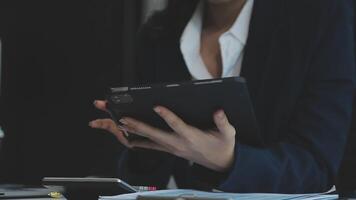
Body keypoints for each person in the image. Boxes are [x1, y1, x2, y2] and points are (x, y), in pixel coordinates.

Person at [89, 0, 355, 193]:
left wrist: (229, 159)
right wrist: (144, 142)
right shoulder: (158, 34)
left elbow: (318, 168)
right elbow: (148, 180)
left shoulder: (321, 17)